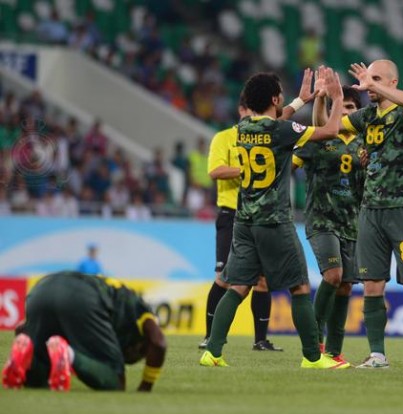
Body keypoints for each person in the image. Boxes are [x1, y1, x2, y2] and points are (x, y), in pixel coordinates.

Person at [199, 67, 349, 369]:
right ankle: (312, 357)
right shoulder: (281, 132)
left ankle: (212, 351)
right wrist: (337, 97)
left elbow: (273, 123)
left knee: (238, 286)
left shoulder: (241, 129)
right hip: (274, 221)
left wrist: (300, 101)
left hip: (243, 221)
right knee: (299, 287)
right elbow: (330, 132)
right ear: (274, 97)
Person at [341, 60, 403, 369]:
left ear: (393, 82)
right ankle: (377, 355)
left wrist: (373, 85)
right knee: (372, 284)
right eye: (367, 79)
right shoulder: (365, 116)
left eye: (376, 79)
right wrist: (324, 99)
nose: (368, 85)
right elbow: (330, 127)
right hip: (370, 209)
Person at [292, 79, 365, 367]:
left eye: (351, 108)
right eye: (342, 106)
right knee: (333, 276)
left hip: (352, 222)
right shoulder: (319, 139)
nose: (346, 112)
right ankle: (315, 341)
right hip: (322, 219)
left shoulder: (363, 143)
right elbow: (290, 167)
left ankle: (334, 351)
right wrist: (321, 99)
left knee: (346, 286)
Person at [201, 96, 281, 352]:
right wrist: (246, 169)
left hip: (258, 215)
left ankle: (260, 340)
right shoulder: (223, 138)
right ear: (240, 110)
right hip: (230, 213)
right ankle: (208, 336)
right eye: (249, 110)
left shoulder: (265, 138)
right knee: (224, 277)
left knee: (262, 280)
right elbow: (214, 171)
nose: (252, 116)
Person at [2, 271, 166, 391]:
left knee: (37, 383)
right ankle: (67, 353)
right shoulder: (140, 308)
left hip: (41, 288)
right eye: (140, 353)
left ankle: (26, 355)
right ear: (139, 343)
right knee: (116, 383)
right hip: (83, 297)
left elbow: (21, 328)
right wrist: (146, 385)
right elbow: (159, 343)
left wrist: (31, 336)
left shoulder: (115, 310)